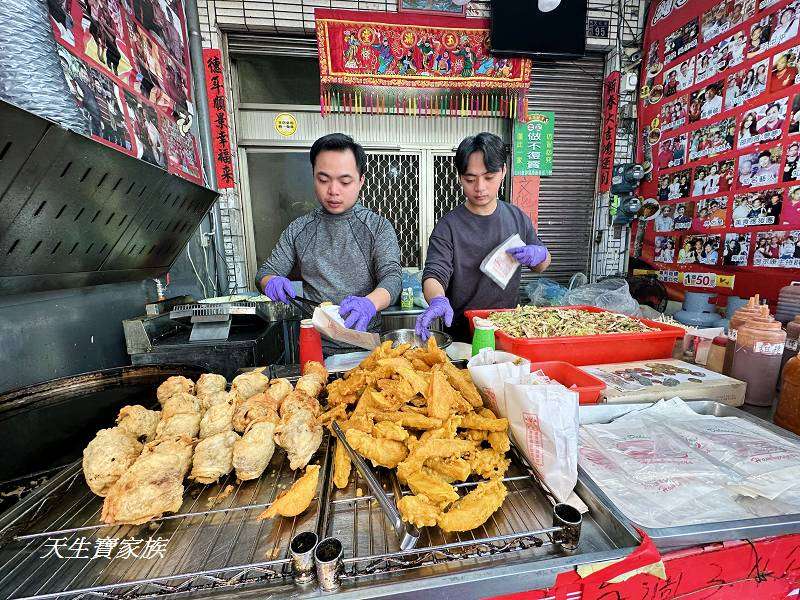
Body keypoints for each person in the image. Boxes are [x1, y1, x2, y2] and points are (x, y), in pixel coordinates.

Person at [256, 133, 402, 353]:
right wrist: (270, 281)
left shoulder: (377, 226)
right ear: (313, 175)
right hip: (315, 345)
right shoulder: (299, 229)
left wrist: (370, 303)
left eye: (344, 181)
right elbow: (265, 272)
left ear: (361, 180)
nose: (333, 191)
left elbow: (392, 278)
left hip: (364, 345)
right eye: (323, 180)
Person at [416, 133, 550, 341]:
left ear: (503, 171)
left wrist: (540, 255)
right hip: (462, 334)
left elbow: (541, 265)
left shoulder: (517, 218)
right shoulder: (448, 226)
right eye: (470, 179)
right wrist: (437, 300)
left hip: (507, 332)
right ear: (460, 177)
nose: (480, 187)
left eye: (489, 177)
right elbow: (434, 274)